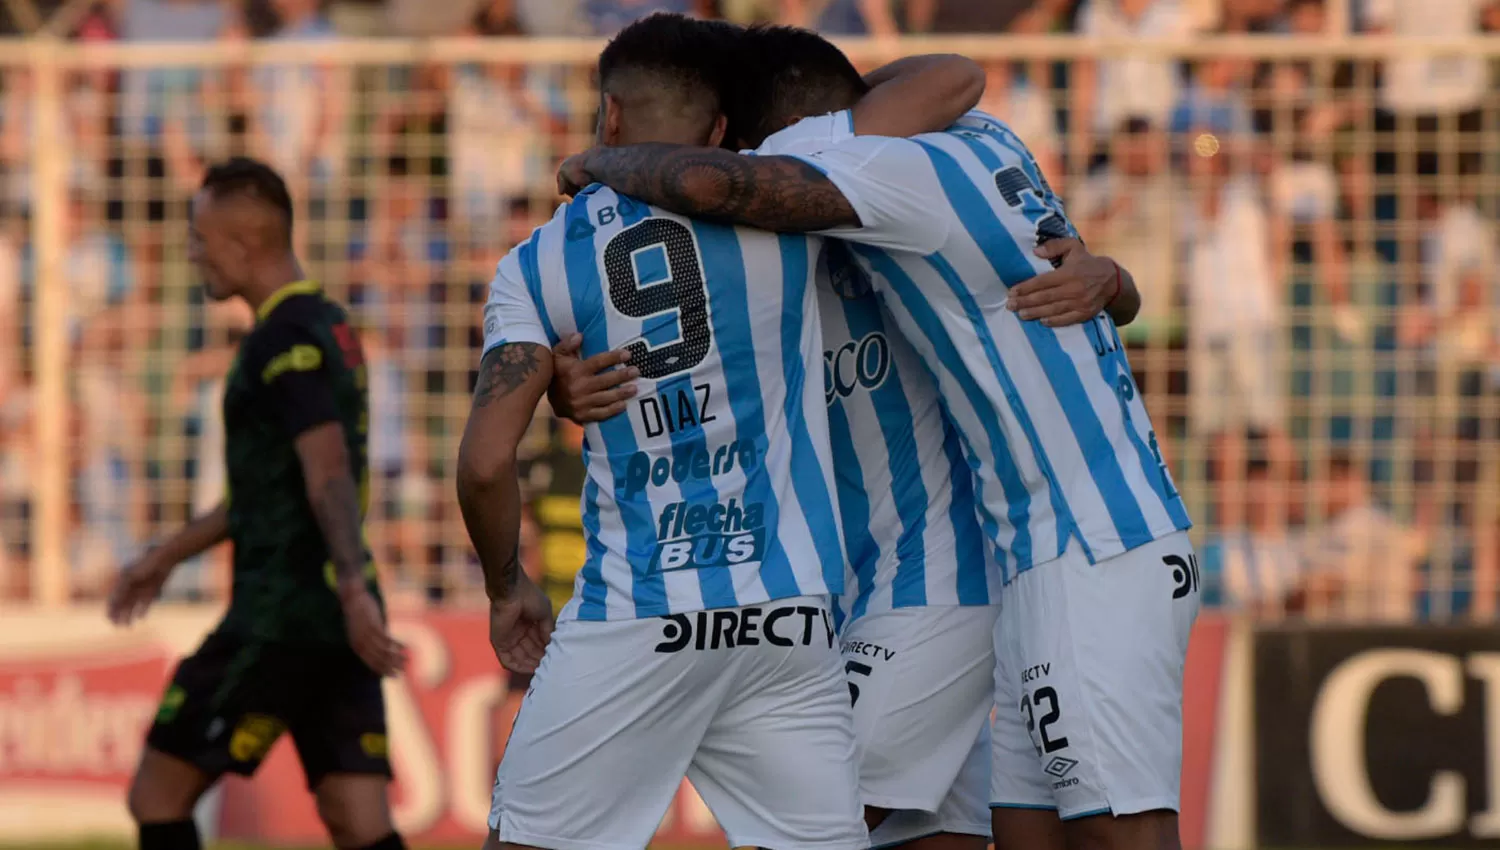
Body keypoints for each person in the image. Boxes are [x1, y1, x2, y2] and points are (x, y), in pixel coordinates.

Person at [559, 24, 1197, 850]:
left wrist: (596, 163)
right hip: (1021, 559)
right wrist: (565, 385)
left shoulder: (874, 171)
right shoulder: (974, 142)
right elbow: (950, 76)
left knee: (811, 827)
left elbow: (732, 183)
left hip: (1049, 552)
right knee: (1001, 832)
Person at [458, 14, 986, 850]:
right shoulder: (781, 202)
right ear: (717, 132)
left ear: (611, 116)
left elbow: (486, 464)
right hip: (785, 620)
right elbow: (948, 79)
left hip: (637, 614)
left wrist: (505, 587)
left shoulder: (534, 263)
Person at [105, 158, 408, 850]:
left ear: (242, 244)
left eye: (198, 237)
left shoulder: (282, 338)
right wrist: (164, 556)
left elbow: (325, 464)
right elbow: (266, 491)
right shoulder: (327, 322)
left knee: (156, 793)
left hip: (283, 613)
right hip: (334, 610)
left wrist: (352, 587)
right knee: (356, 819)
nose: (191, 252)